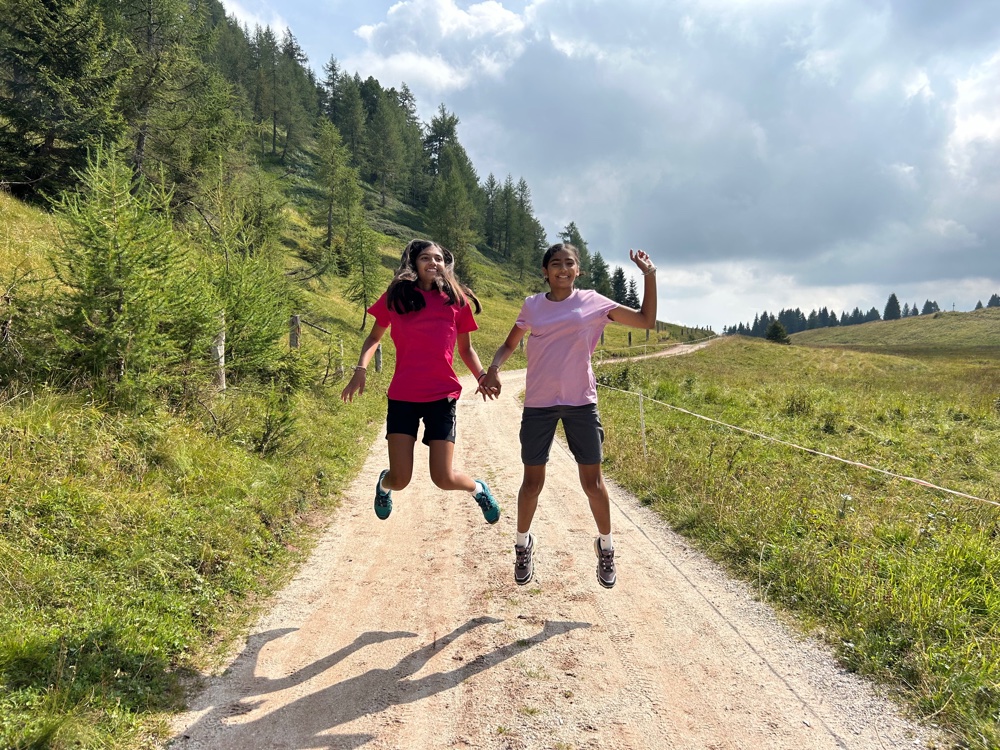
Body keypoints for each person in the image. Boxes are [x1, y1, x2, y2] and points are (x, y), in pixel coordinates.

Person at [481, 243, 657, 588]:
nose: (563, 268)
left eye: (570, 263)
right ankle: (522, 544)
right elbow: (509, 344)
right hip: (539, 405)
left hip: (580, 402)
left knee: (592, 483)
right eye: (556, 263)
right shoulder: (532, 306)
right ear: (545, 271)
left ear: (578, 271)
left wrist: (649, 275)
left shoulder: (593, 302)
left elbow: (645, 320)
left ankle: (606, 547)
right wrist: (494, 368)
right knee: (532, 483)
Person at [341, 239, 500, 525]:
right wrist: (360, 369)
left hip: (442, 396)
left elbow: (466, 349)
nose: (433, 263)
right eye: (426, 257)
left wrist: (481, 376)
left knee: (444, 477)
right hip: (403, 396)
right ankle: (383, 486)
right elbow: (374, 337)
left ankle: (478, 489)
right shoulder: (397, 296)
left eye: (439, 258)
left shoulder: (456, 300)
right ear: (414, 263)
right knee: (399, 479)